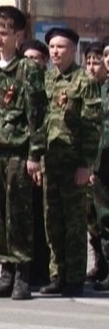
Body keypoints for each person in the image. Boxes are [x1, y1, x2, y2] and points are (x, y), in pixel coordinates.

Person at [0, 6, 46, 300]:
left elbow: (37, 116)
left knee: (19, 215)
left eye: (4, 32)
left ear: (18, 35)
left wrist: (34, 155)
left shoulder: (28, 70)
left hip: (17, 153)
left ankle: (23, 275)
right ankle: (5, 272)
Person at [39, 27, 101, 298]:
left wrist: (86, 164)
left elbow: (91, 126)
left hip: (74, 164)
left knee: (74, 223)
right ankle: (57, 274)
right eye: (52, 47)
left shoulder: (83, 81)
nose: (55, 52)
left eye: (61, 47)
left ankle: (75, 276)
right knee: (52, 221)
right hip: (51, 163)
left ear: (73, 50)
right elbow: (40, 122)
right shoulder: (46, 80)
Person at [19, 39, 51, 286]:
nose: (32, 63)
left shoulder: (49, 85)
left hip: (47, 160)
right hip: (24, 160)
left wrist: (38, 157)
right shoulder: (21, 84)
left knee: (44, 220)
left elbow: (44, 125)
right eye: (27, 58)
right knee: (26, 219)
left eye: (36, 58)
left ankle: (45, 270)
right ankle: (27, 271)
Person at [84, 42, 109, 284]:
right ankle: (100, 264)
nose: (92, 67)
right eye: (88, 61)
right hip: (95, 164)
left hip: (105, 163)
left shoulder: (104, 91)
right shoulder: (89, 90)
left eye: (96, 61)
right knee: (94, 219)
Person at [93, 40, 109, 292]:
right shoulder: (102, 89)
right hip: (103, 162)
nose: (108, 59)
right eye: (106, 54)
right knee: (104, 218)